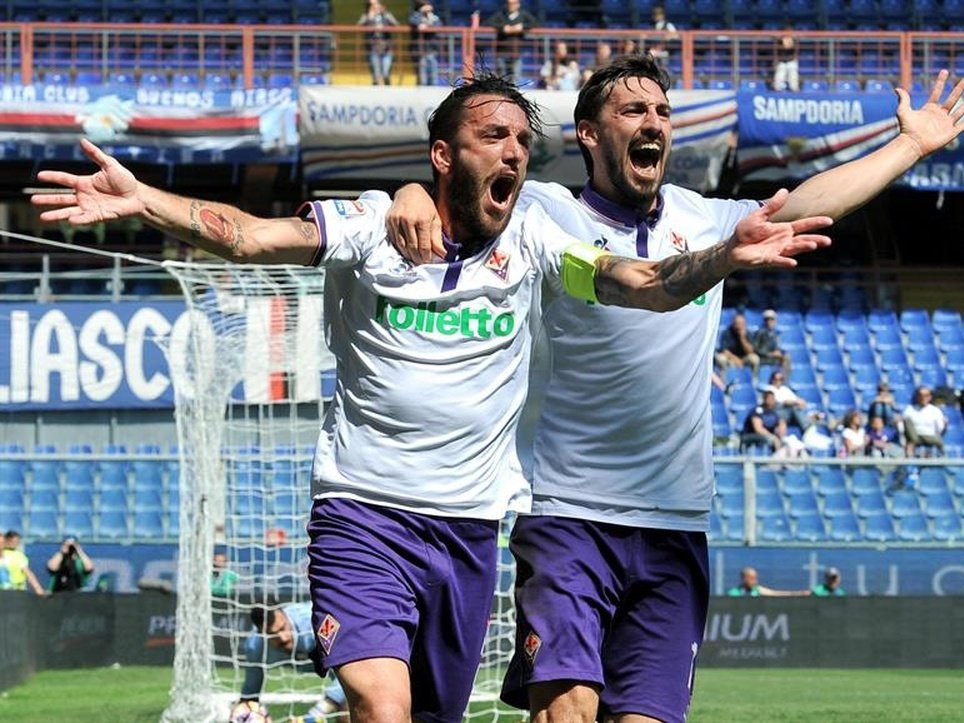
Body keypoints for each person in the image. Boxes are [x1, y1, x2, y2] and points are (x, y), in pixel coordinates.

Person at [31, 74, 826, 723]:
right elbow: (248, 235)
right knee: (382, 704)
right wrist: (146, 202)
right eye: (494, 137)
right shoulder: (371, 224)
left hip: (470, 532)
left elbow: (644, 285)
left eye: (523, 140)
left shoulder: (539, 243)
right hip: (363, 513)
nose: (515, 152)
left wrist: (725, 252)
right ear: (444, 155)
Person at [386, 58, 964, 723]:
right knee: (567, 709)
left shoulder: (710, 218)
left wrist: (911, 145)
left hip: (674, 526)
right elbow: (467, 190)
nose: (654, 124)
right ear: (588, 133)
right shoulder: (544, 213)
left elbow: (813, 199)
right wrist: (410, 191)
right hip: (566, 512)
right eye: (633, 112)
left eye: (663, 113)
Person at [238, 603, 347, 721]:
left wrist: (315, 715)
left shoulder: (317, 622)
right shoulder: (256, 647)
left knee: (350, 708)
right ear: (261, 634)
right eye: (273, 634)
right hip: (320, 662)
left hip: (351, 652)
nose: (283, 638)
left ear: (285, 616)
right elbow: (250, 692)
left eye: (283, 628)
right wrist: (245, 713)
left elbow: (351, 667)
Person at [488, 0, 537, 84]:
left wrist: (522, 27)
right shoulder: (501, 14)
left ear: (518, 4)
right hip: (501, 52)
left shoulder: (524, 14)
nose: (511, 5)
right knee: (501, 78)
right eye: (509, 3)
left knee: (515, 79)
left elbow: (536, 23)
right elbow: (488, 22)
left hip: (516, 52)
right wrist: (503, 28)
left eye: (513, 3)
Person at [358, 0, 399, 86]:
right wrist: (369, 17)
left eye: (377, 4)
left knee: (386, 73)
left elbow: (396, 24)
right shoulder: (366, 15)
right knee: (376, 75)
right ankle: (376, 95)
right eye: (372, 5)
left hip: (387, 48)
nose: (375, 6)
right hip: (373, 48)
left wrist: (386, 14)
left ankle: (388, 92)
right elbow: (359, 26)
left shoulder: (386, 15)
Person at [902, 385, 947, 457]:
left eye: (926, 395)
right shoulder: (909, 410)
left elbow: (940, 429)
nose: (923, 398)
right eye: (921, 395)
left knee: (938, 441)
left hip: (930, 436)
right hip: (913, 437)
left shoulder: (935, 411)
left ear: (930, 397)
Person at [741, 388, 787, 453]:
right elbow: (758, 429)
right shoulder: (757, 410)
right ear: (765, 399)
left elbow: (781, 423)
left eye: (773, 398)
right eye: (770, 398)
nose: (772, 400)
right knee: (771, 440)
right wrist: (773, 438)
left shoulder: (773, 412)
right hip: (751, 435)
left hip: (767, 436)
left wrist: (782, 435)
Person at [2, 530, 46, 595]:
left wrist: (38, 588)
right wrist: (38, 588)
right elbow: (29, 574)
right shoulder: (17, 555)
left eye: (17, 542)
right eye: (14, 541)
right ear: (7, 540)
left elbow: (28, 573)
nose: (16, 544)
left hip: (18, 590)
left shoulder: (19, 555)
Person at [409, 1, 442, 87]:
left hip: (431, 49)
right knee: (422, 77)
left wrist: (427, 24)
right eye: (426, 6)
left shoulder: (433, 17)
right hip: (420, 50)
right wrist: (421, 13)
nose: (429, 7)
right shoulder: (415, 15)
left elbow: (438, 25)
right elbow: (413, 21)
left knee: (433, 75)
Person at [727, 566, 809, 597]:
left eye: (756, 578)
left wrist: (800, 593)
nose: (755, 581)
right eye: (752, 579)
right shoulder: (733, 593)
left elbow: (775, 594)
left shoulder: (757, 590)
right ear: (744, 579)